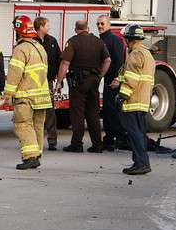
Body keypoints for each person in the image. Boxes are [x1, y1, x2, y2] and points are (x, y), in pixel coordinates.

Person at [3, 15, 52, 170]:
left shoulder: (20, 49)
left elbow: (14, 74)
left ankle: (30, 157)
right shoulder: (40, 47)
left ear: (18, 30)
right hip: (42, 97)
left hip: (26, 96)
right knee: (37, 126)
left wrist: (7, 95)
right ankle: (36, 155)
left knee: (23, 125)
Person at [55, 20, 110, 153]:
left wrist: (59, 81)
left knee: (77, 114)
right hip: (94, 82)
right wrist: (100, 76)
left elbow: (65, 63)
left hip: (78, 83)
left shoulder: (73, 42)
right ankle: (97, 145)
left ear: (76, 29)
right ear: (88, 28)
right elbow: (107, 60)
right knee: (93, 113)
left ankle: (77, 144)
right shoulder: (98, 41)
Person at [111, 24, 155, 175]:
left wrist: (122, 95)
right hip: (143, 102)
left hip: (133, 101)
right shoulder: (147, 55)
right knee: (140, 134)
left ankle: (142, 163)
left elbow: (132, 79)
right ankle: (138, 163)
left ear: (130, 39)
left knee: (135, 134)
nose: (125, 42)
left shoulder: (135, 54)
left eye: (126, 39)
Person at [97, 15, 127, 151]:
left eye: (102, 23)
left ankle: (119, 139)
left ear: (109, 24)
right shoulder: (101, 39)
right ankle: (109, 140)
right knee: (108, 112)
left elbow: (120, 61)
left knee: (114, 111)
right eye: (98, 24)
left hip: (113, 81)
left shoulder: (114, 40)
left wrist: (117, 79)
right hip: (107, 79)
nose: (99, 26)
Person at [34, 17, 62, 151]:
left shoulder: (52, 41)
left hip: (48, 82)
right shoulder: (32, 42)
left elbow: (59, 60)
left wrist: (60, 81)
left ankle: (52, 141)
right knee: (34, 111)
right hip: (33, 83)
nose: (49, 27)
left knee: (50, 111)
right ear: (40, 26)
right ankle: (33, 140)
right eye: (47, 25)